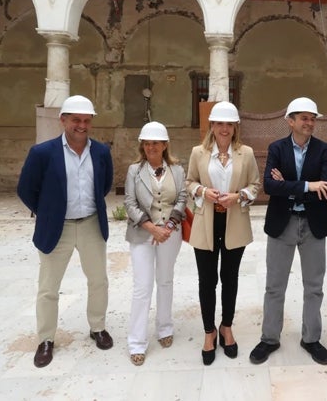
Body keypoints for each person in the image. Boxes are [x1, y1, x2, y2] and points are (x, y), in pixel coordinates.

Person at [17, 95, 114, 368]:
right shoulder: (42, 153)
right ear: (63, 120)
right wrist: (48, 211)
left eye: (86, 120)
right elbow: (26, 189)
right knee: (48, 287)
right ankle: (46, 339)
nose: (81, 126)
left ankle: (98, 328)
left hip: (91, 224)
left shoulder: (101, 152)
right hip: (56, 228)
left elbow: (104, 185)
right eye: (75, 120)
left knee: (98, 280)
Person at [249, 97, 327, 366]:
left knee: (314, 286)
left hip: (313, 224)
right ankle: (269, 339)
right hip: (281, 224)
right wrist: (308, 186)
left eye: (313, 118)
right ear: (291, 121)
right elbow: (269, 187)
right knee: (275, 286)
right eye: (304, 118)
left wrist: (289, 185)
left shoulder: (323, 149)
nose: (310, 123)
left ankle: (311, 339)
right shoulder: (277, 148)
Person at [185, 101, 260, 366]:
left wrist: (238, 196)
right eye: (220, 124)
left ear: (235, 126)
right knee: (207, 280)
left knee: (230, 278)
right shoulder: (198, 152)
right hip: (206, 221)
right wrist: (204, 192)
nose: (224, 129)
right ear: (212, 126)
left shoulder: (246, 153)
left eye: (229, 124)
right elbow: (189, 182)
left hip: (234, 222)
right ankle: (209, 331)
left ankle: (227, 326)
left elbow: (255, 185)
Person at [123, 121, 187, 366]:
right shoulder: (134, 170)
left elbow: (182, 197)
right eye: (147, 143)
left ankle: (165, 328)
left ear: (164, 145)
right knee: (142, 286)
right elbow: (129, 203)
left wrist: (169, 227)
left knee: (165, 280)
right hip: (142, 233)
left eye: (155, 143)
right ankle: (137, 342)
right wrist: (151, 228)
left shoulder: (177, 170)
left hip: (170, 233)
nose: (151, 147)